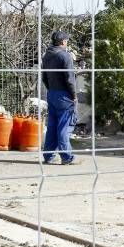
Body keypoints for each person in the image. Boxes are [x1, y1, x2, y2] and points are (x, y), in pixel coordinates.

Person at [41, 31, 78, 165]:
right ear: (63, 42)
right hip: (64, 95)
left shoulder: (46, 56)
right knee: (64, 126)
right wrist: (73, 95)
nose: (67, 43)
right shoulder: (65, 56)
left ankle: (48, 156)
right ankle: (67, 157)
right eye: (66, 41)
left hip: (52, 94)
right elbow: (69, 79)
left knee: (52, 126)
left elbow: (44, 77)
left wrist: (51, 89)